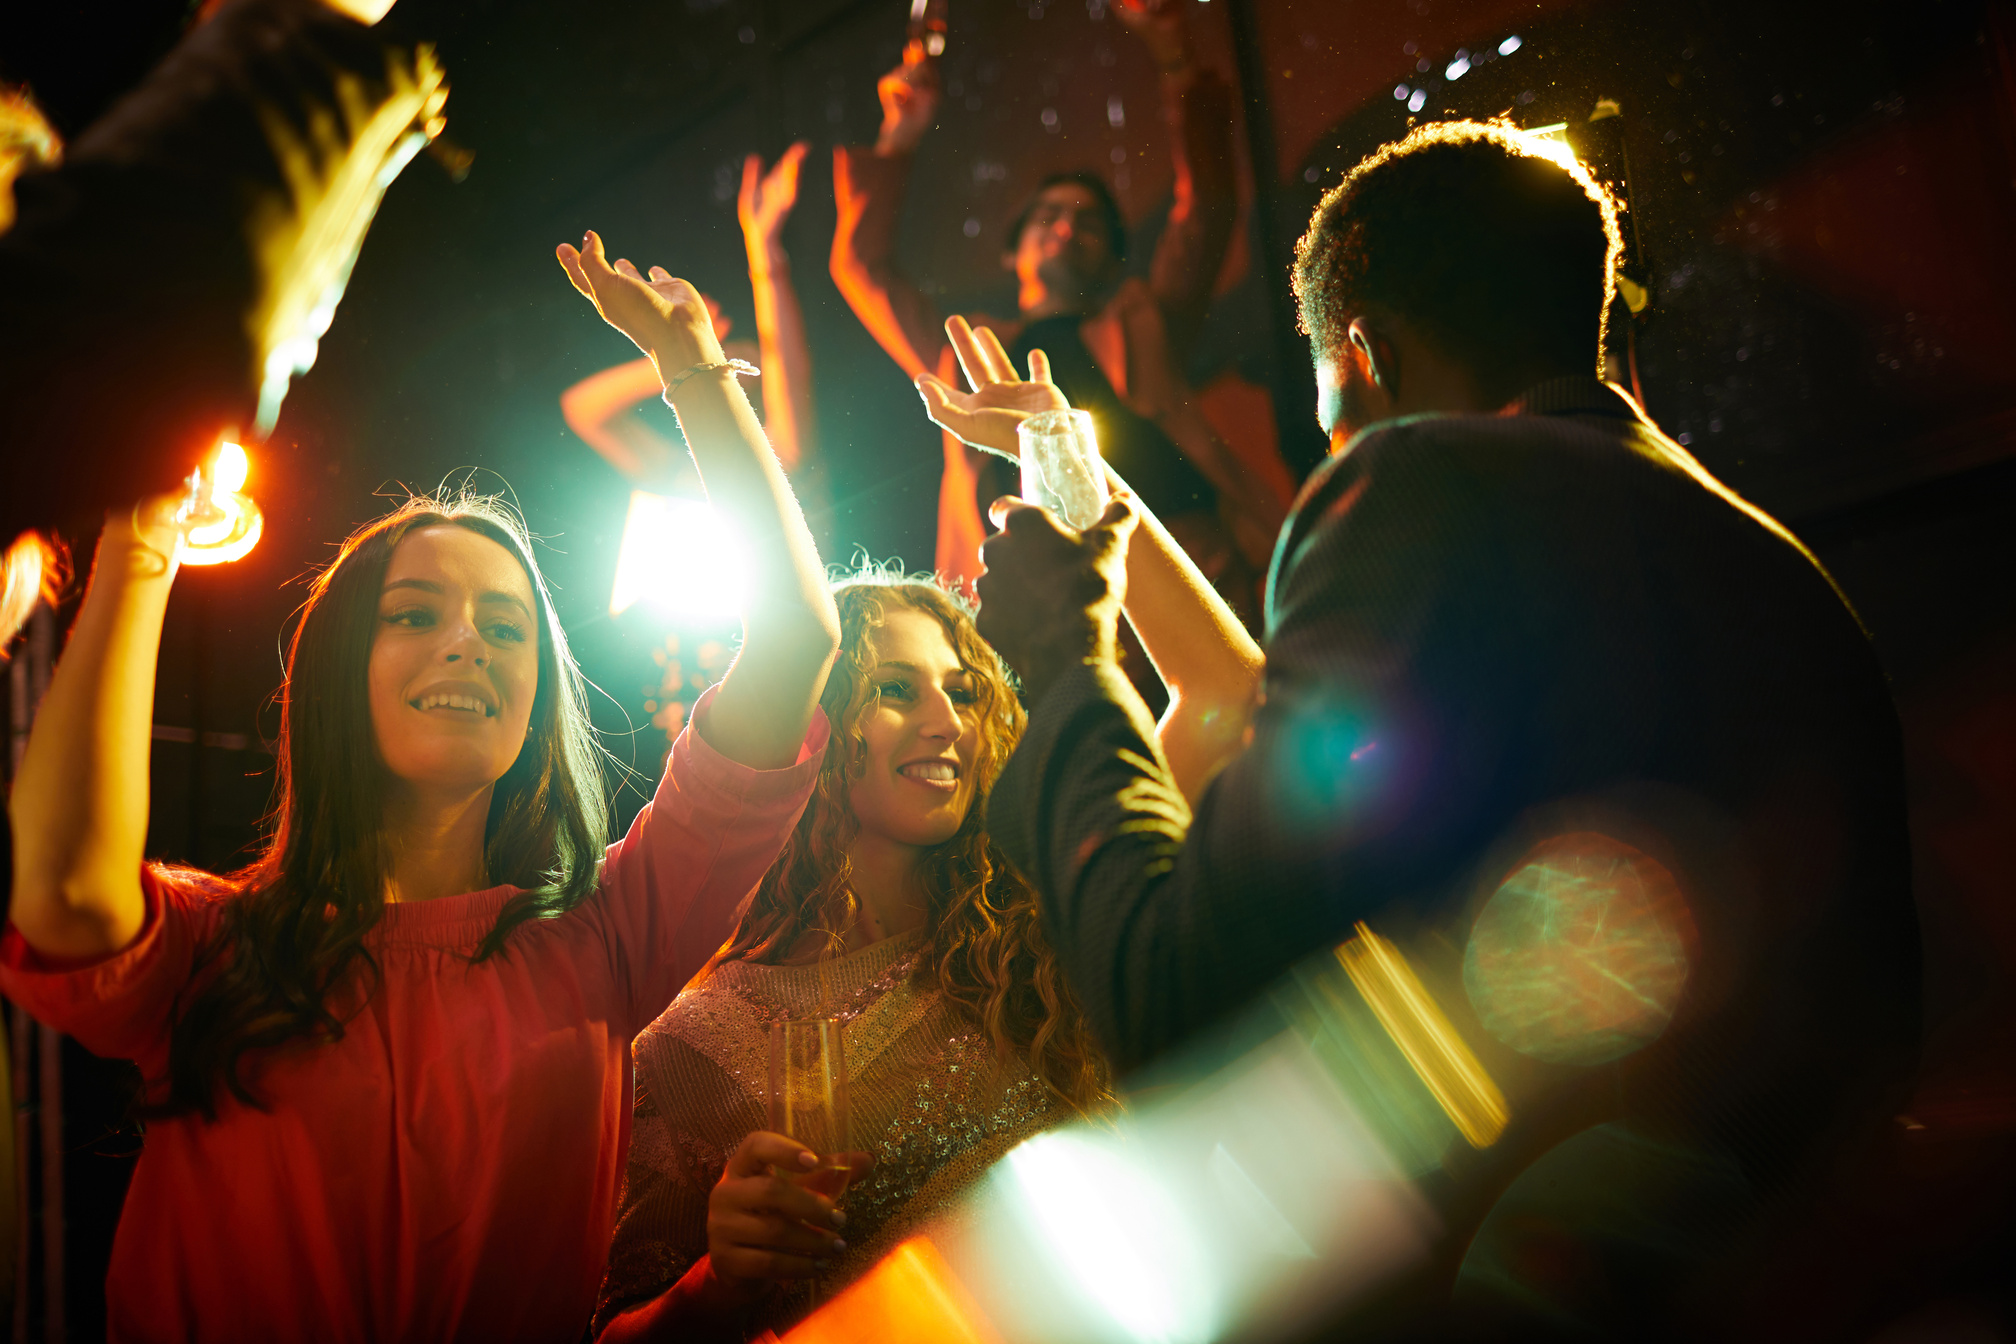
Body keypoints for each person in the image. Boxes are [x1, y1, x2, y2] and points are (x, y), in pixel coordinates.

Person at [972, 120, 1920, 1337]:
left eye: (1324, 409)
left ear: (1361, 355)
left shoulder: (1414, 481)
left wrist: (1061, 665)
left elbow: (1187, 1008)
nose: (1333, 444)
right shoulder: (1776, 562)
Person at [0, 229, 839, 1341]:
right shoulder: (216, 951)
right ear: (333, 679)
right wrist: (144, 525)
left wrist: (693, 374)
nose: (467, 645)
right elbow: (56, 889)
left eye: (505, 626)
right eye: (413, 615)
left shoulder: (611, 936)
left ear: (540, 701)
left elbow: (794, 635)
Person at [590, 342, 1263, 1344]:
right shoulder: (691, 1040)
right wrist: (714, 1284)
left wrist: (1062, 456)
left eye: (962, 690)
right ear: (817, 720)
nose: (946, 723)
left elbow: (1226, 698)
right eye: (896, 690)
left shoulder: (1049, 903)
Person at [829, 0, 1286, 599]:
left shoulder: (1144, 322)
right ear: (1012, 251)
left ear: (1110, 256)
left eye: (1088, 222)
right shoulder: (967, 357)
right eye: (1048, 217)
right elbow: (862, 270)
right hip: (1034, 596)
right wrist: (899, 137)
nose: (1067, 229)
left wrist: (1174, 56)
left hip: (1178, 566)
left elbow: (1208, 209)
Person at [563, 145, 823, 498]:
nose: (725, 363)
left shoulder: (783, 475)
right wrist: (675, 347)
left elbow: (789, 440)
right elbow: (582, 409)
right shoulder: (689, 479)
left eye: (740, 366)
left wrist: (683, 348)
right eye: (725, 358)